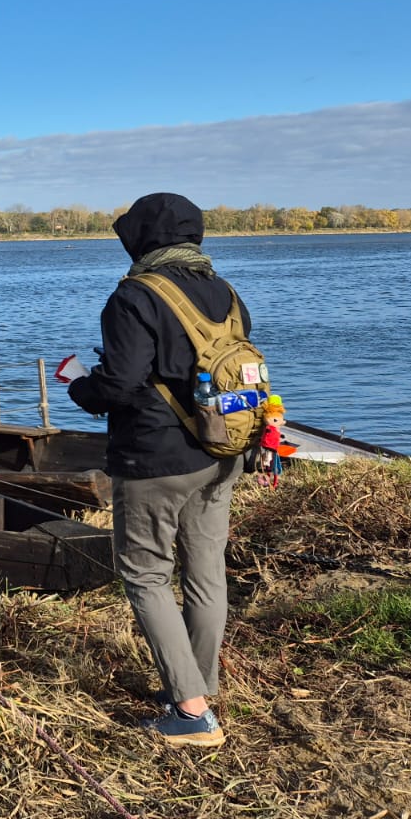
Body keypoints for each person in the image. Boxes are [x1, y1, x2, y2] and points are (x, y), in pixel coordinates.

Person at [65, 191, 245, 748]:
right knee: (205, 573)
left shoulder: (134, 296)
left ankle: (190, 714)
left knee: (145, 576)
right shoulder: (224, 291)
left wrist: (77, 386)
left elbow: (119, 385)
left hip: (154, 458)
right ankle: (196, 688)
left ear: (141, 237)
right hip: (222, 451)